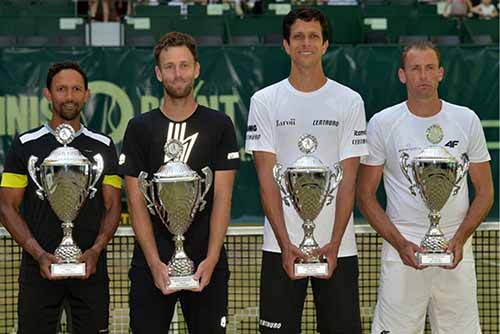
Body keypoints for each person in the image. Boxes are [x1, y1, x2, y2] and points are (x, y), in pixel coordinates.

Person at [357, 41, 494, 334]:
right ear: (402, 75)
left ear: (441, 73)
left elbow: (485, 191)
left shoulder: (466, 120)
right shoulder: (383, 123)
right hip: (401, 253)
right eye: (415, 69)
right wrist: (400, 243)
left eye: (430, 68)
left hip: (457, 252)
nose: (423, 76)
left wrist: (459, 238)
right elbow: (366, 196)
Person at [245, 7, 367, 333]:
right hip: (279, 249)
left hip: (338, 249)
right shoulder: (264, 101)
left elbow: (349, 181)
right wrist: (285, 243)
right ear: (286, 45)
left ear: (325, 44)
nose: (306, 43)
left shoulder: (350, 101)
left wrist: (335, 243)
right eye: (298, 36)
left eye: (314, 36)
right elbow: (266, 180)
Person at [119, 32, 239, 333]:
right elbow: (136, 203)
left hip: (205, 265)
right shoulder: (138, 128)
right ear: (158, 73)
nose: (178, 74)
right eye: (169, 67)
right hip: (151, 266)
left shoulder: (220, 125)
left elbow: (223, 198)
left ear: (196, 69)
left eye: (184, 65)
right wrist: (153, 263)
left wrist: (211, 259)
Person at [0, 61, 122, 333]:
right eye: (62, 89)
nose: (69, 96)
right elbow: (6, 206)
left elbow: (113, 206)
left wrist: (95, 250)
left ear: (87, 95)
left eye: (76, 89)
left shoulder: (103, 146)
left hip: (90, 271)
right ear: (48, 94)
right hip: (38, 271)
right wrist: (38, 253)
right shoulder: (25, 145)